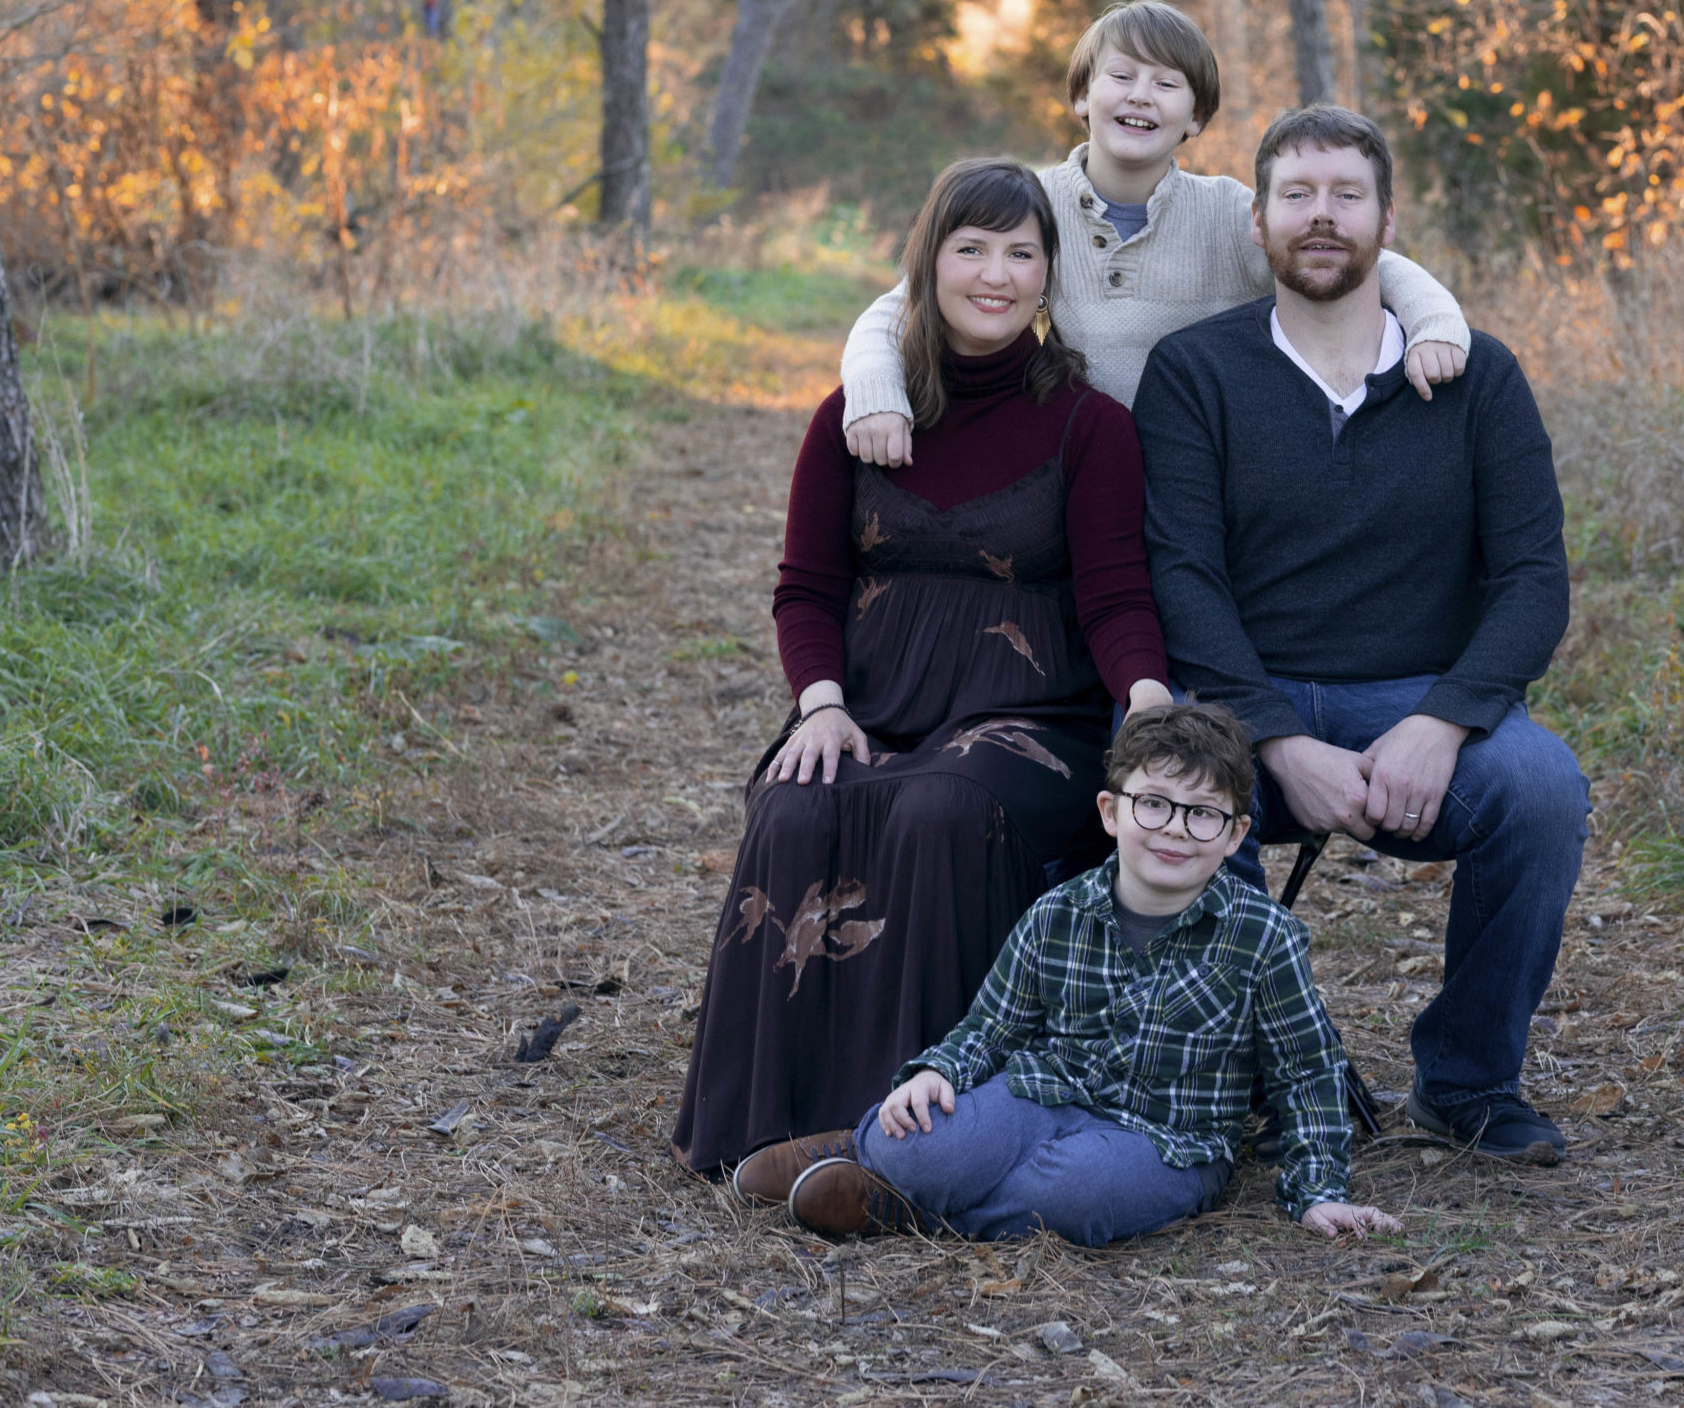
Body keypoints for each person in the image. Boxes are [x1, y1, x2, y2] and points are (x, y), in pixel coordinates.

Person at [671, 158, 1175, 1199]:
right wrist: (819, 702)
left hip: (1029, 716)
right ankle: (766, 1120)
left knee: (942, 810)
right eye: (971, 248)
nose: (995, 274)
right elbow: (805, 587)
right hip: (871, 704)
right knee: (796, 805)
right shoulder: (852, 417)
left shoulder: (1089, 426)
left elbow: (1117, 594)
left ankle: (903, 1141)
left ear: (1049, 274)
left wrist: (1151, 700)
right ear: (928, 262)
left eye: (1020, 253)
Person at [1134, 105, 1590, 1166]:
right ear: (1258, 223)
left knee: (1540, 787)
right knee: (1178, 787)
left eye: (1346, 194)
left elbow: (1533, 579)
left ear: (1389, 217)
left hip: (1415, 693)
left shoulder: (1478, 376)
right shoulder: (1196, 372)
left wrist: (1443, 721)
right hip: (1242, 696)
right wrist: (1277, 740)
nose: (1322, 216)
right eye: (1297, 194)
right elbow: (1182, 575)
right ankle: (1252, 1075)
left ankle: (1468, 1080)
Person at [783, 704, 1401, 1246]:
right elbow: (992, 1029)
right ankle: (871, 1153)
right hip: (1045, 1095)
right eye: (1153, 804)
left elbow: (1305, 1071)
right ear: (1111, 811)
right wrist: (937, 1071)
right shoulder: (1059, 912)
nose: (1175, 830)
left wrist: (1318, 1189)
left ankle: (899, 1206)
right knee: (912, 1142)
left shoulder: (1264, 937)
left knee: (1075, 1195)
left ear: (1236, 832)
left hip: (1166, 1139)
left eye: (1203, 815)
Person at [831, 0, 1471, 465]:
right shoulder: (1030, 204)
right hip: (1072, 470)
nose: (1142, 96)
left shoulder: (1227, 214)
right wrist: (876, 392)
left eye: (1167, 84)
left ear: (1194, 117)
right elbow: (902, 307)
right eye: (1122, 76)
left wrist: (1434, 325)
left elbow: (1365, 263)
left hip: (1206, 475)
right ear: (1083, 95)